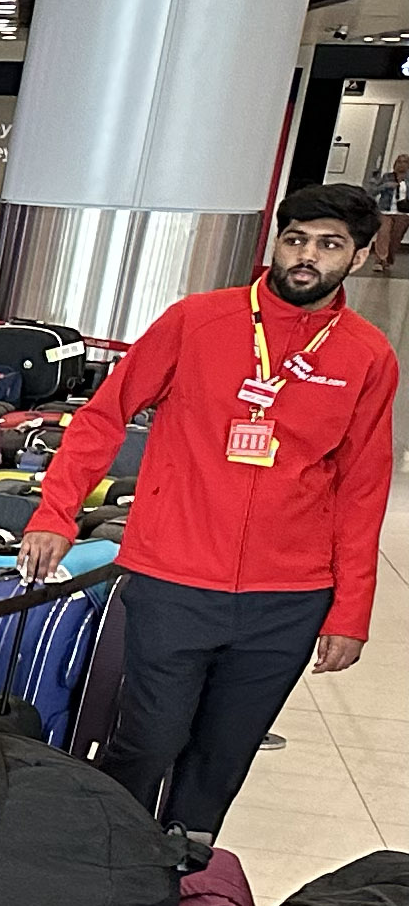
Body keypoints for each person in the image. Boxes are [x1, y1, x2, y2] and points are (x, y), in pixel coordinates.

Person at [20, 180, 397, 849]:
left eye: (329, 245)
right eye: (295, 240)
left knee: (225, 752)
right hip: (174, 575)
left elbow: (361, 488)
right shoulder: (199, 319)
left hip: (288, 596)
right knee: (150, 736)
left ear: (360, 258)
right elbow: (104, 416)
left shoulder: (368, 355)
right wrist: (55, 513)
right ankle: (101, 853)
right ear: (276, 244)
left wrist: (350, 611)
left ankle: (182, 862)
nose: (307, 257)